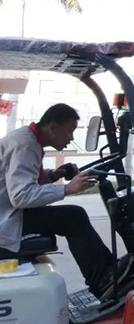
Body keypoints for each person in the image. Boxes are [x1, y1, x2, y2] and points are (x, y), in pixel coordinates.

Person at [0, 104, 120, 297]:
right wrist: (66, 189)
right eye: (69, 131)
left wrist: (53, 175)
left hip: (9, 213)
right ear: (53, 128)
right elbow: (21, 196)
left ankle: (109, 269)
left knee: (73, 215)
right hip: (7, 219)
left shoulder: (27, 140)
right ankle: (102, 281)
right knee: (74, 217)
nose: (71, 138)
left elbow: (18, 181)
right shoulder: (25, 145)